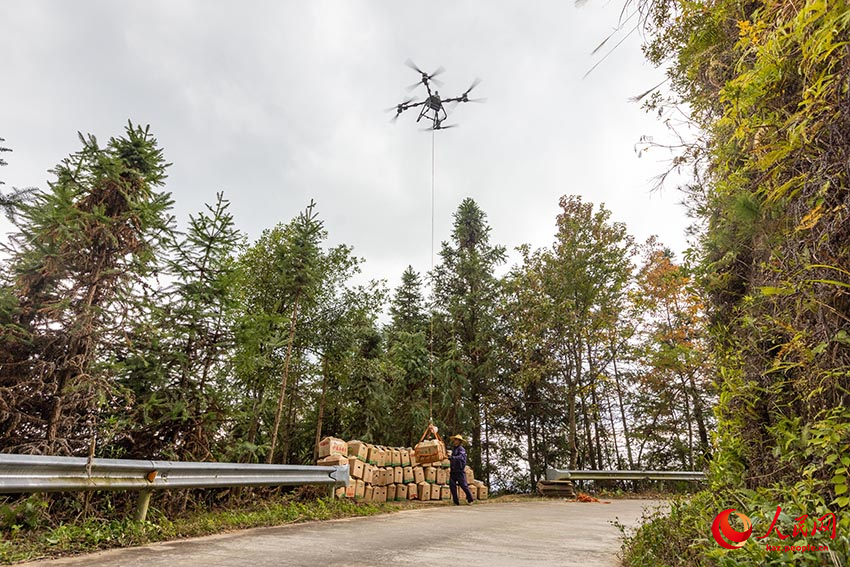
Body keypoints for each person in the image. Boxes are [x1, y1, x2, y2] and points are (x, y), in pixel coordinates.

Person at [447, 434, 474, 505]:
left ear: (459, 441)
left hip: (459, 471)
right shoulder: (454, 449)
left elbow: (461, 457)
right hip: (453, 471)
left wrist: (452, 457)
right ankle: (456, 501)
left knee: (463, 485)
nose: (454, 441)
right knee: (452, 485)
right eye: (454, 439)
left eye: (456, 440)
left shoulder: (461, 449)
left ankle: (470, 499)